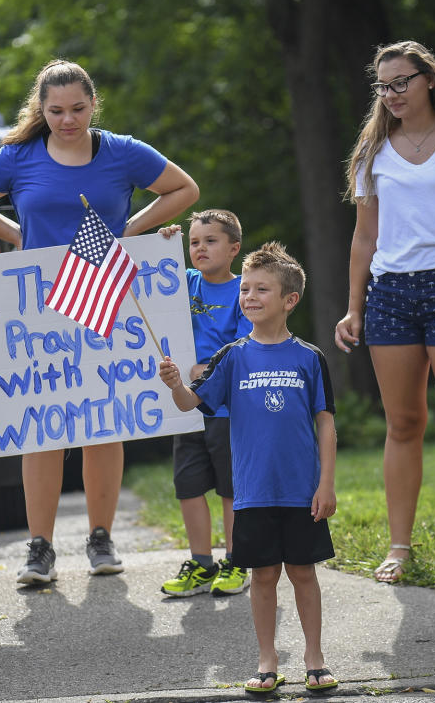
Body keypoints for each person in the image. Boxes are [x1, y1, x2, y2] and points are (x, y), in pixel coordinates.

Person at [0, 59, 199, 582]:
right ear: (40, 109)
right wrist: (19, 237)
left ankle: (100, 538)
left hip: (107, 295)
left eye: (78, 109)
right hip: (38, 305)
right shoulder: (16, 156)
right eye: (56, 110)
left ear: (94, 104)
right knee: (42, 427)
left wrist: (131, 228)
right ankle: (39, 547)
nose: (68, 120)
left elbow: (183, 190)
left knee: (104, 419)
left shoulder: (121, 151)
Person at [333, 40, 435, 583]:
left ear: (428, 79)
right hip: (391, 295)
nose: (392, 94)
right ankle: (399, 547)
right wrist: (354, 307)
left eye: (402, 82)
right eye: (384, 86)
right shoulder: (370, 152)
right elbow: (364, 238)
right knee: (402, 424)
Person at [159, 241, 338, 693]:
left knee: (303, 572)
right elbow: (190, 403)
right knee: (262, 576)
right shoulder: (233, 356)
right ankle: (267, 659)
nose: (250, 297)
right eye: (246, 290)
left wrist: (326, 484)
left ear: (289, 300)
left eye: (262, 289)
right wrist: (176, 383)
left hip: (301, 490)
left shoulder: (309, 357)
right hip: (252, 492)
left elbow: (326, 423)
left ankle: (314, 658)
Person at [159, 209, 252, 598]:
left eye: (210, 241)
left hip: (227, 409)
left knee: (230, 488)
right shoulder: (185, 282)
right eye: (194, 242)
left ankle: (236, 560)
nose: (200, 248)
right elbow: (152, 280)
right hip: (186, 407)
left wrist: (209, 368)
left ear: (233, 248)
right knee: (189, 486)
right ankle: (201, 563)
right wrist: (162, 245)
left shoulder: (244, 290)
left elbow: (248, 345)